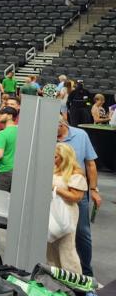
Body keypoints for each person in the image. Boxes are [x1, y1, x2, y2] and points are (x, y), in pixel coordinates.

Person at [57, 118, 102, 276]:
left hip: (78, 192)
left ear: (62, 125)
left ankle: (86, 273)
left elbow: (90, 164)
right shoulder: (46, 135)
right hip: (55, 192)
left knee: (82, 232)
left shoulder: (81, 135)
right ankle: (58, 270)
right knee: (55, 230)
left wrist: (94, 189)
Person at [47, 143, 88, 275]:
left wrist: (55, 188)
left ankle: (75, 282)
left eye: (56, 157)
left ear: (64, 157)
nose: (53, 159)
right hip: (51, 211)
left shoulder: (76, 173)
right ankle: (55, 278)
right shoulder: (53, 168)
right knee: (50, 247)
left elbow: (76, 196)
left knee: (66, 248)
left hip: (67, 213)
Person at [0, 106, 18, 191]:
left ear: (10, 116)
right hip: (17, 170)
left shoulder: (2, 134)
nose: (0, 116)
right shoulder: (20, 131)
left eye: (2, 113)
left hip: (4, 171)